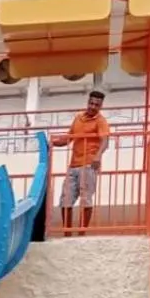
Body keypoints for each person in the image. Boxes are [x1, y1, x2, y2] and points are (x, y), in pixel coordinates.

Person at [52, 88, 109, 234]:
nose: (93, 107)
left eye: (97, 105)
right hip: (73, 165)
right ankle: (67, 232)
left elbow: (105, 141)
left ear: (100, 106)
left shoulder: (101, 121)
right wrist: (53, 143)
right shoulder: (78, 118)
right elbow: (69, 138)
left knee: (86, 199)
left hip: (89, 165)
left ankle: (81, 233)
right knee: (66, 198)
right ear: (88, 102)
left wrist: (97, 156)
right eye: (91, 103)